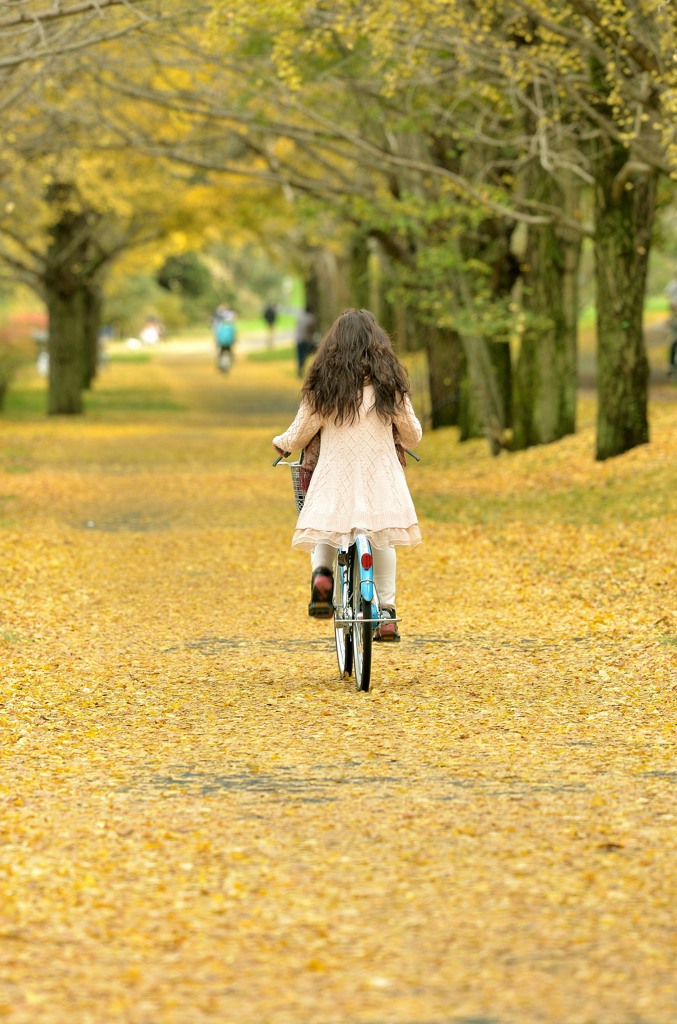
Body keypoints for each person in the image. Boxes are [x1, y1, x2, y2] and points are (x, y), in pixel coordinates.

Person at [272, 308, 422, 642]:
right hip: (380, 477)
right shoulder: (390, 386)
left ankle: (323, 576)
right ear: (378, 343)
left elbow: (299, 434)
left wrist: (280, 445)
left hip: (334, 474)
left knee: (325, 524)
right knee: (381, 537)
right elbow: (412, 435)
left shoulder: (323, 385)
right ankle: (386, 612)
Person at [295, 304, 317, 377]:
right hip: (306, 340)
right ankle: (313, 369)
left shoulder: (300, 318)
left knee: (300, 356)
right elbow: (311, 330)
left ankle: (300, 369)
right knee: (312, 354)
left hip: (299, 339)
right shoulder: (311, 318)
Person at [212, 304, 237, 369]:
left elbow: (216, 333)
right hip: (227, 342)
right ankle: (229, 362)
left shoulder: (220, 325)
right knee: (228, 351)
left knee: (222, 351)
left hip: (222, 342)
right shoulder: (230, 325)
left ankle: (221, 363)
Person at [665, 271, 677, 376]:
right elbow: (669, 299)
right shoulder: (672, 285)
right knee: (673, 340)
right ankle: (671, 365)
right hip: (675, 318)